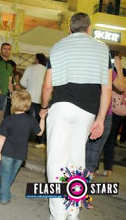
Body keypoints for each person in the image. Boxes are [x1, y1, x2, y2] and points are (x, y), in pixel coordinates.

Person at [40, 12, 111, 220]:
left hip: (61, 107)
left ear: (69, 29)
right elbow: (106, 89)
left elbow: (47, 85)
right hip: (87, 111)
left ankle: (58, 214)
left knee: (56, 162)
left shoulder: (58, 46)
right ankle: (73, 210)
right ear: (89, 29)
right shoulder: (102, 48)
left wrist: (44, 107)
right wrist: (100, 119)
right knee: (77, 160)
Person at [0, 90, 46, 204]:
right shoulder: (30, 120)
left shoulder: (8, 119)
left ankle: (4, 196)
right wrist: (42, 118)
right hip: (21, 154)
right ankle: (3, 188)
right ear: (28, 105)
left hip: (7, 152)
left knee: (5, 173)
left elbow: (2, 137)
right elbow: (40, 133)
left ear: (13, 104)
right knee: (12, 173)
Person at [86, 50, 125, 175]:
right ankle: (87, 177)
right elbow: (121, 87)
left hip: (87, 110)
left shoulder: (90, 68)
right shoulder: (108, 72)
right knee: (95, 148)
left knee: (81, 145)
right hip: (104, 113)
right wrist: (118, 68)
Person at [101, 65, 126, 176]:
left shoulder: (109, 71)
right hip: (117, 110)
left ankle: (93, 168)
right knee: (110, 137)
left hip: (106, 108)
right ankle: (108, 168)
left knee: (98, 137)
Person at [20, 53, 47, 148]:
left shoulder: (30, 68)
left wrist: (29, 86)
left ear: (37, 59)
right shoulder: (46, 70)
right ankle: (39, 142)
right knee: (41, 120)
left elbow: (22, 82)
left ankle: (23, 139)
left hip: (29, 97)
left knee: (26, 119)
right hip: (41, 98)